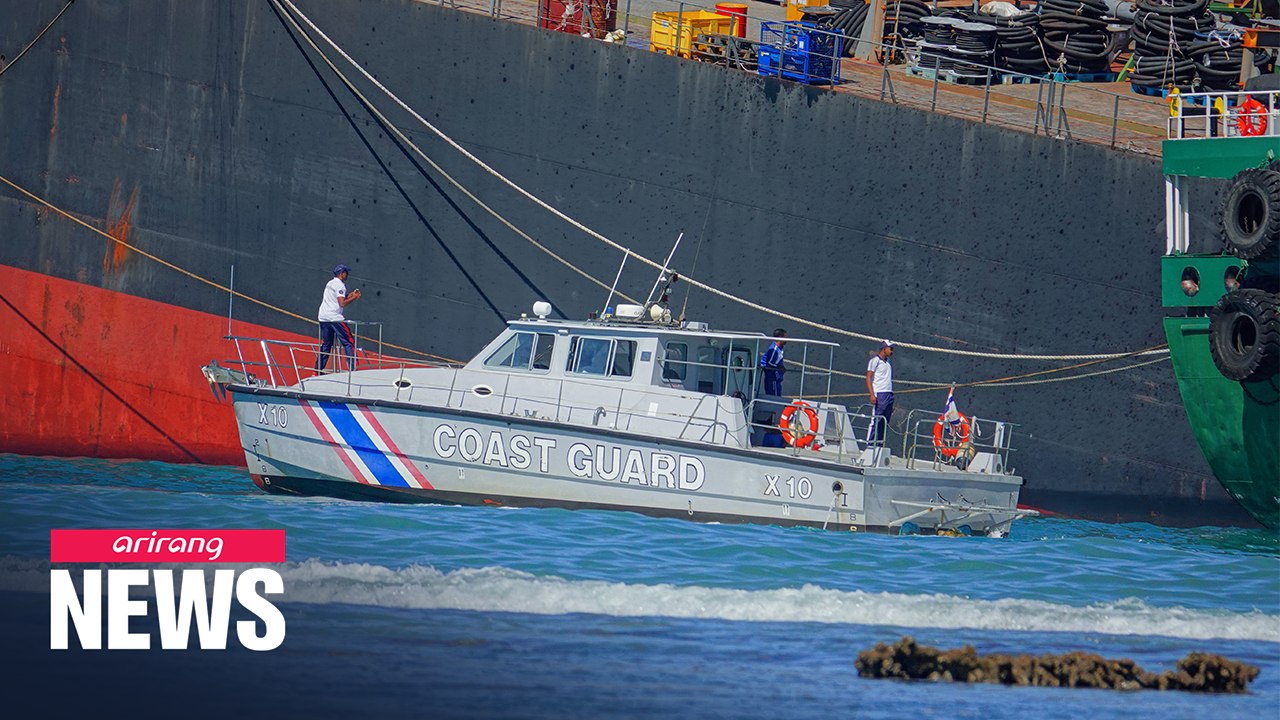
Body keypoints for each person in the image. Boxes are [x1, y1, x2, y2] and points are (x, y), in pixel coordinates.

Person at [316, 264, 361, 372]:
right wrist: (354, 298)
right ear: (342, 274)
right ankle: (353, 369)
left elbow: (337, 299)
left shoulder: (330, 283)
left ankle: (317, 370)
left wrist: (350, 295)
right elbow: (342, 304)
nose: (348, 275)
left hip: (323, 317)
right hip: (335, 318)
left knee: (326, 345)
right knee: (348, 342)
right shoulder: (340, 285)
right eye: (346, 273)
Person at [866, 339, 895, 446]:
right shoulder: (875, 361)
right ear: (884, 349)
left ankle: (879, 445)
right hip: (880, 393)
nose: (892, 351)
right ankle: (870, 444)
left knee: (884, 421)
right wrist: (872, 394)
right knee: (876, 420)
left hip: (888, 393)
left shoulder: (888, 362)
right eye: (890, 349)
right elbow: (868, 377)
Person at [759, 328, 787, 395]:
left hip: (777, 378)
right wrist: (779, 368)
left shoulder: (780, 348)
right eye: (785, 337)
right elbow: (769, 363)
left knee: (777, 394)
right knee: (773, 395)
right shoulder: (774, 349)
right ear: (780, 337)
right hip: (772, 377)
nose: (787, 339)